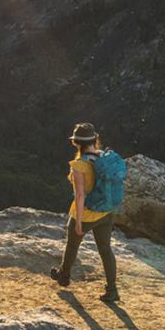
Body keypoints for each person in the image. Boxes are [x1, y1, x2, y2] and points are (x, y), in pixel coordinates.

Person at [49, 122, 119, 303]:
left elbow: (80, 195)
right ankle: (112, 290)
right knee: (105, 250)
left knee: (72, 245)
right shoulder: (104, 158)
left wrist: (79, 222)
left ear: (76, 143)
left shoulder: (79, 165)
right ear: (95, 140)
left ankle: (64, 276)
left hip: (87, 213)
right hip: (106, 212)